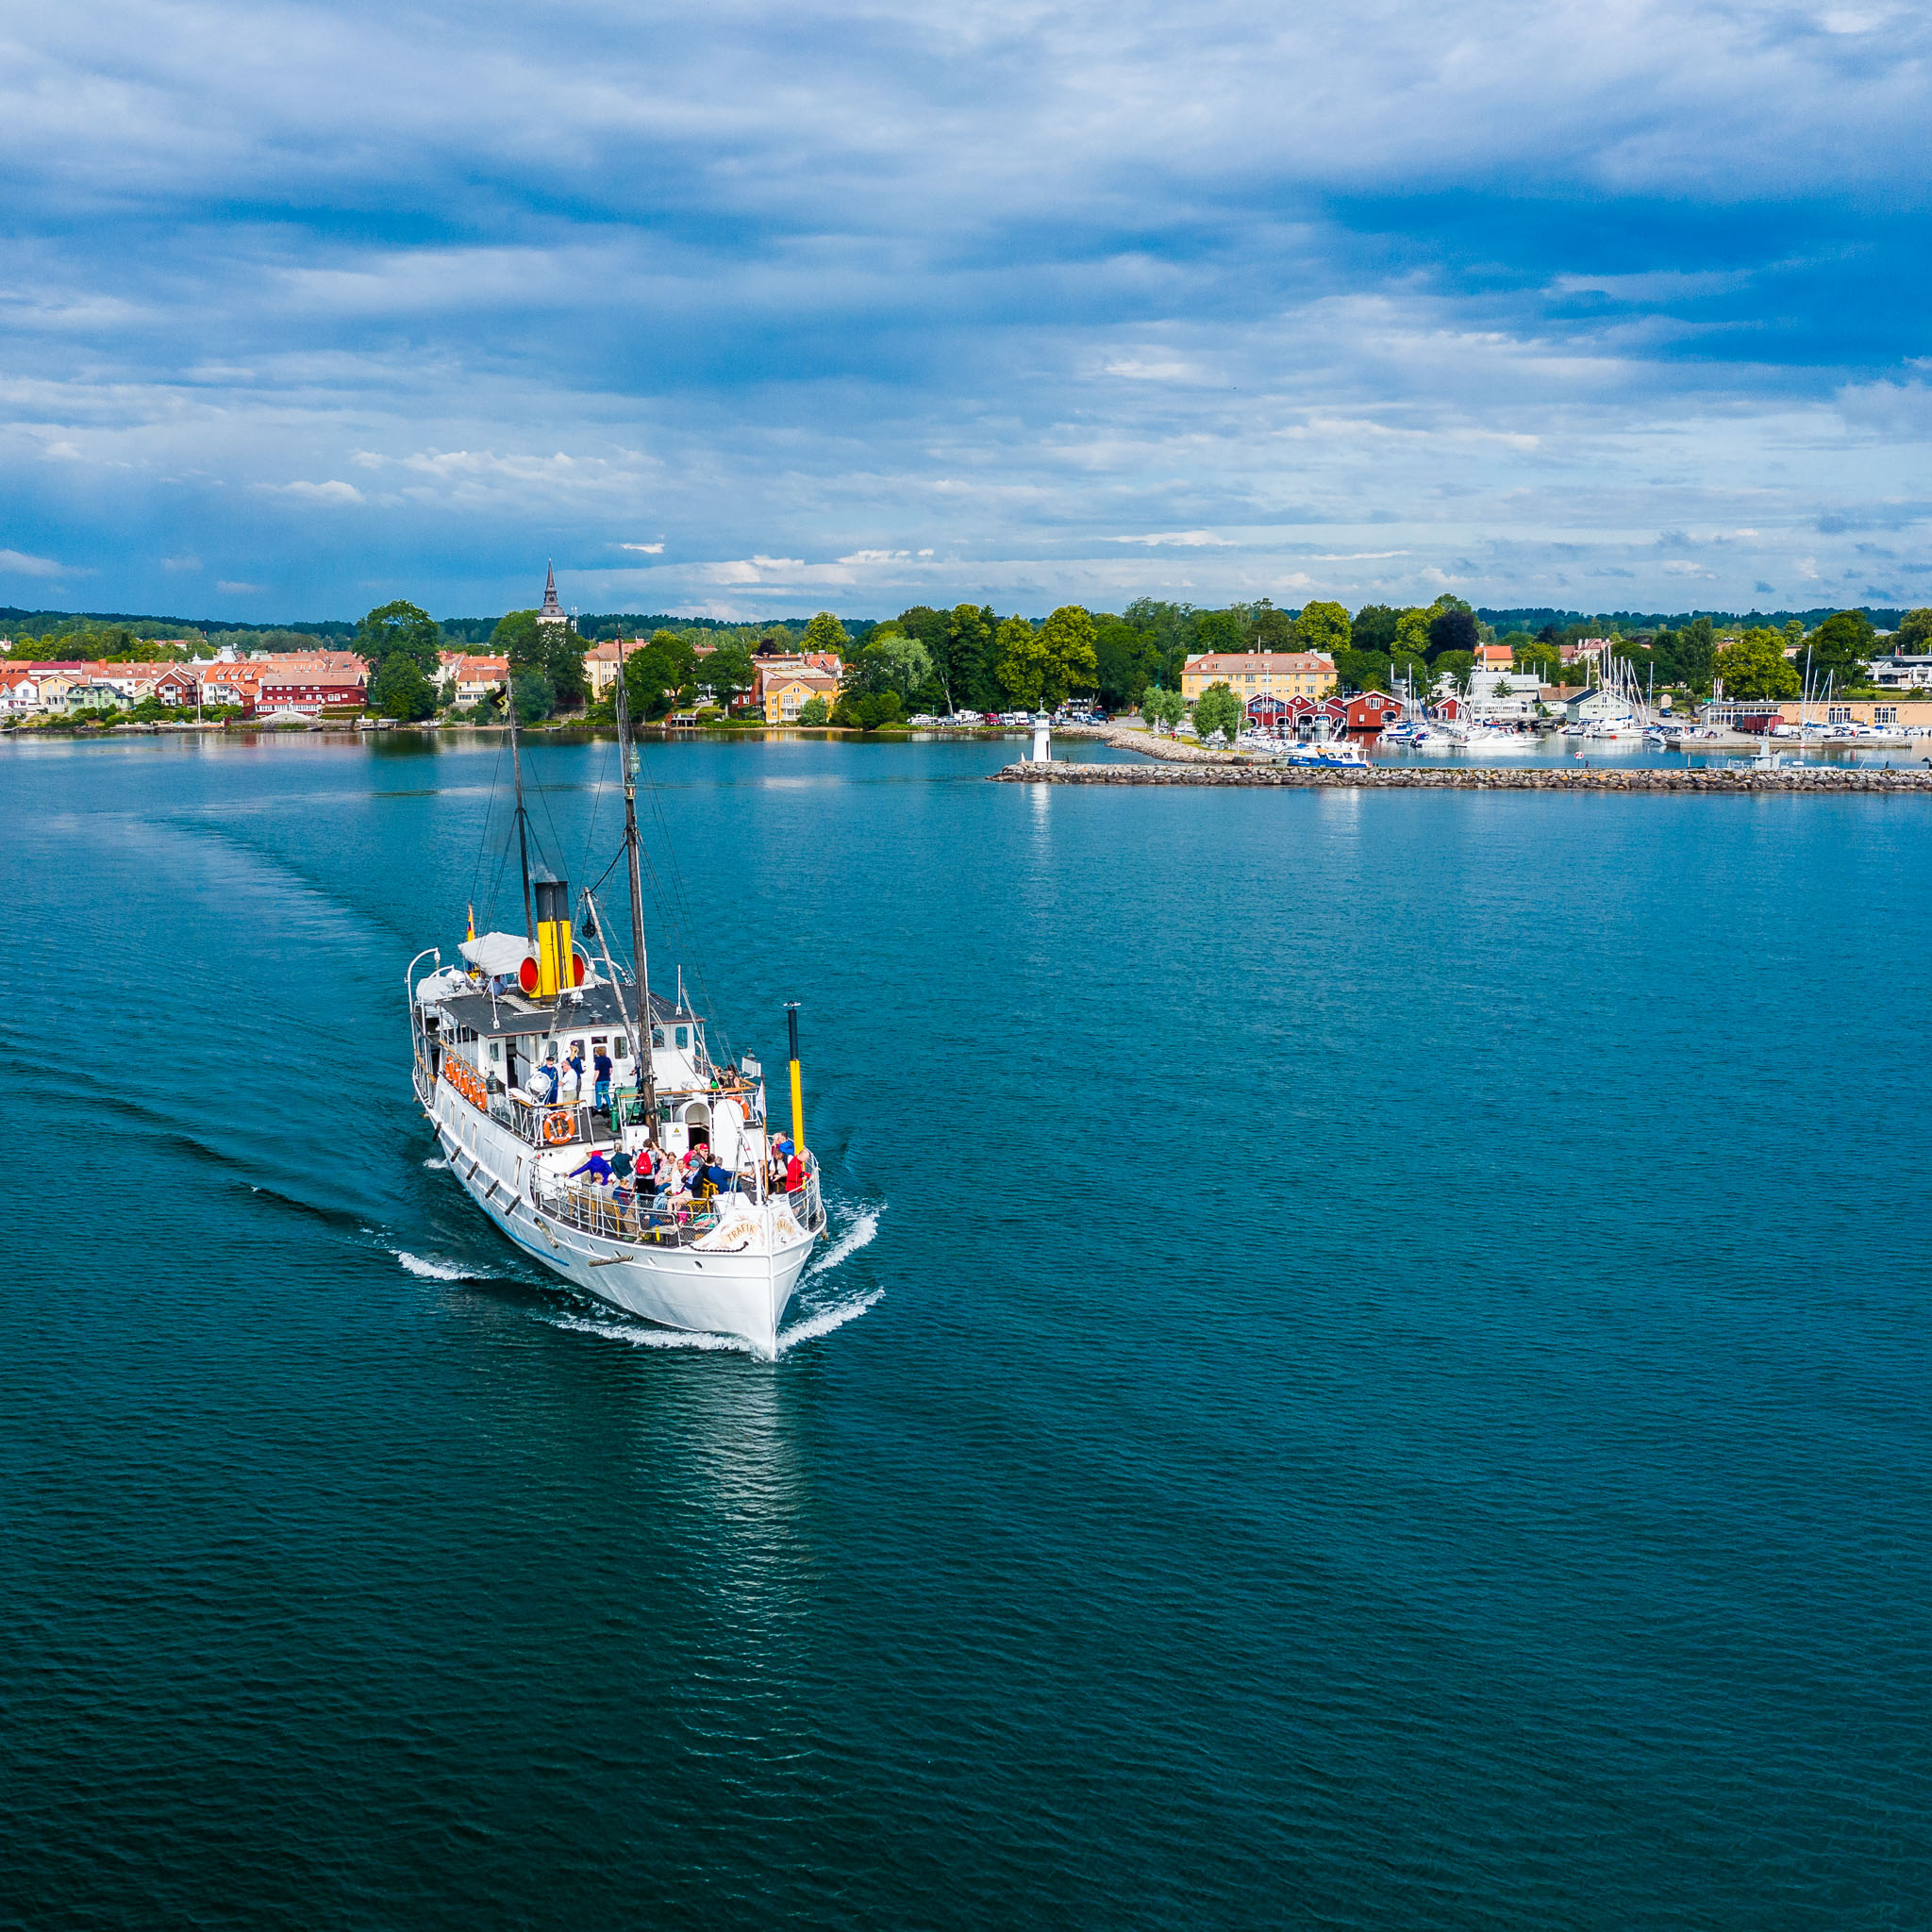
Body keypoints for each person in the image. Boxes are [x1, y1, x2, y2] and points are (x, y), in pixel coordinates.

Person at [593, 1044, 612, 1109]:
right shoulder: (608, 1059)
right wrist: (608, 1075)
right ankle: (609, 1105)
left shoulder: (598, 1060)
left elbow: (597, 1071)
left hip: (599, 1080)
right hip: (607, 1079)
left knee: (598, 1094)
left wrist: (594, 1080)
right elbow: (610, 1070)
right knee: (606, 1093)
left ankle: (599, 1106)